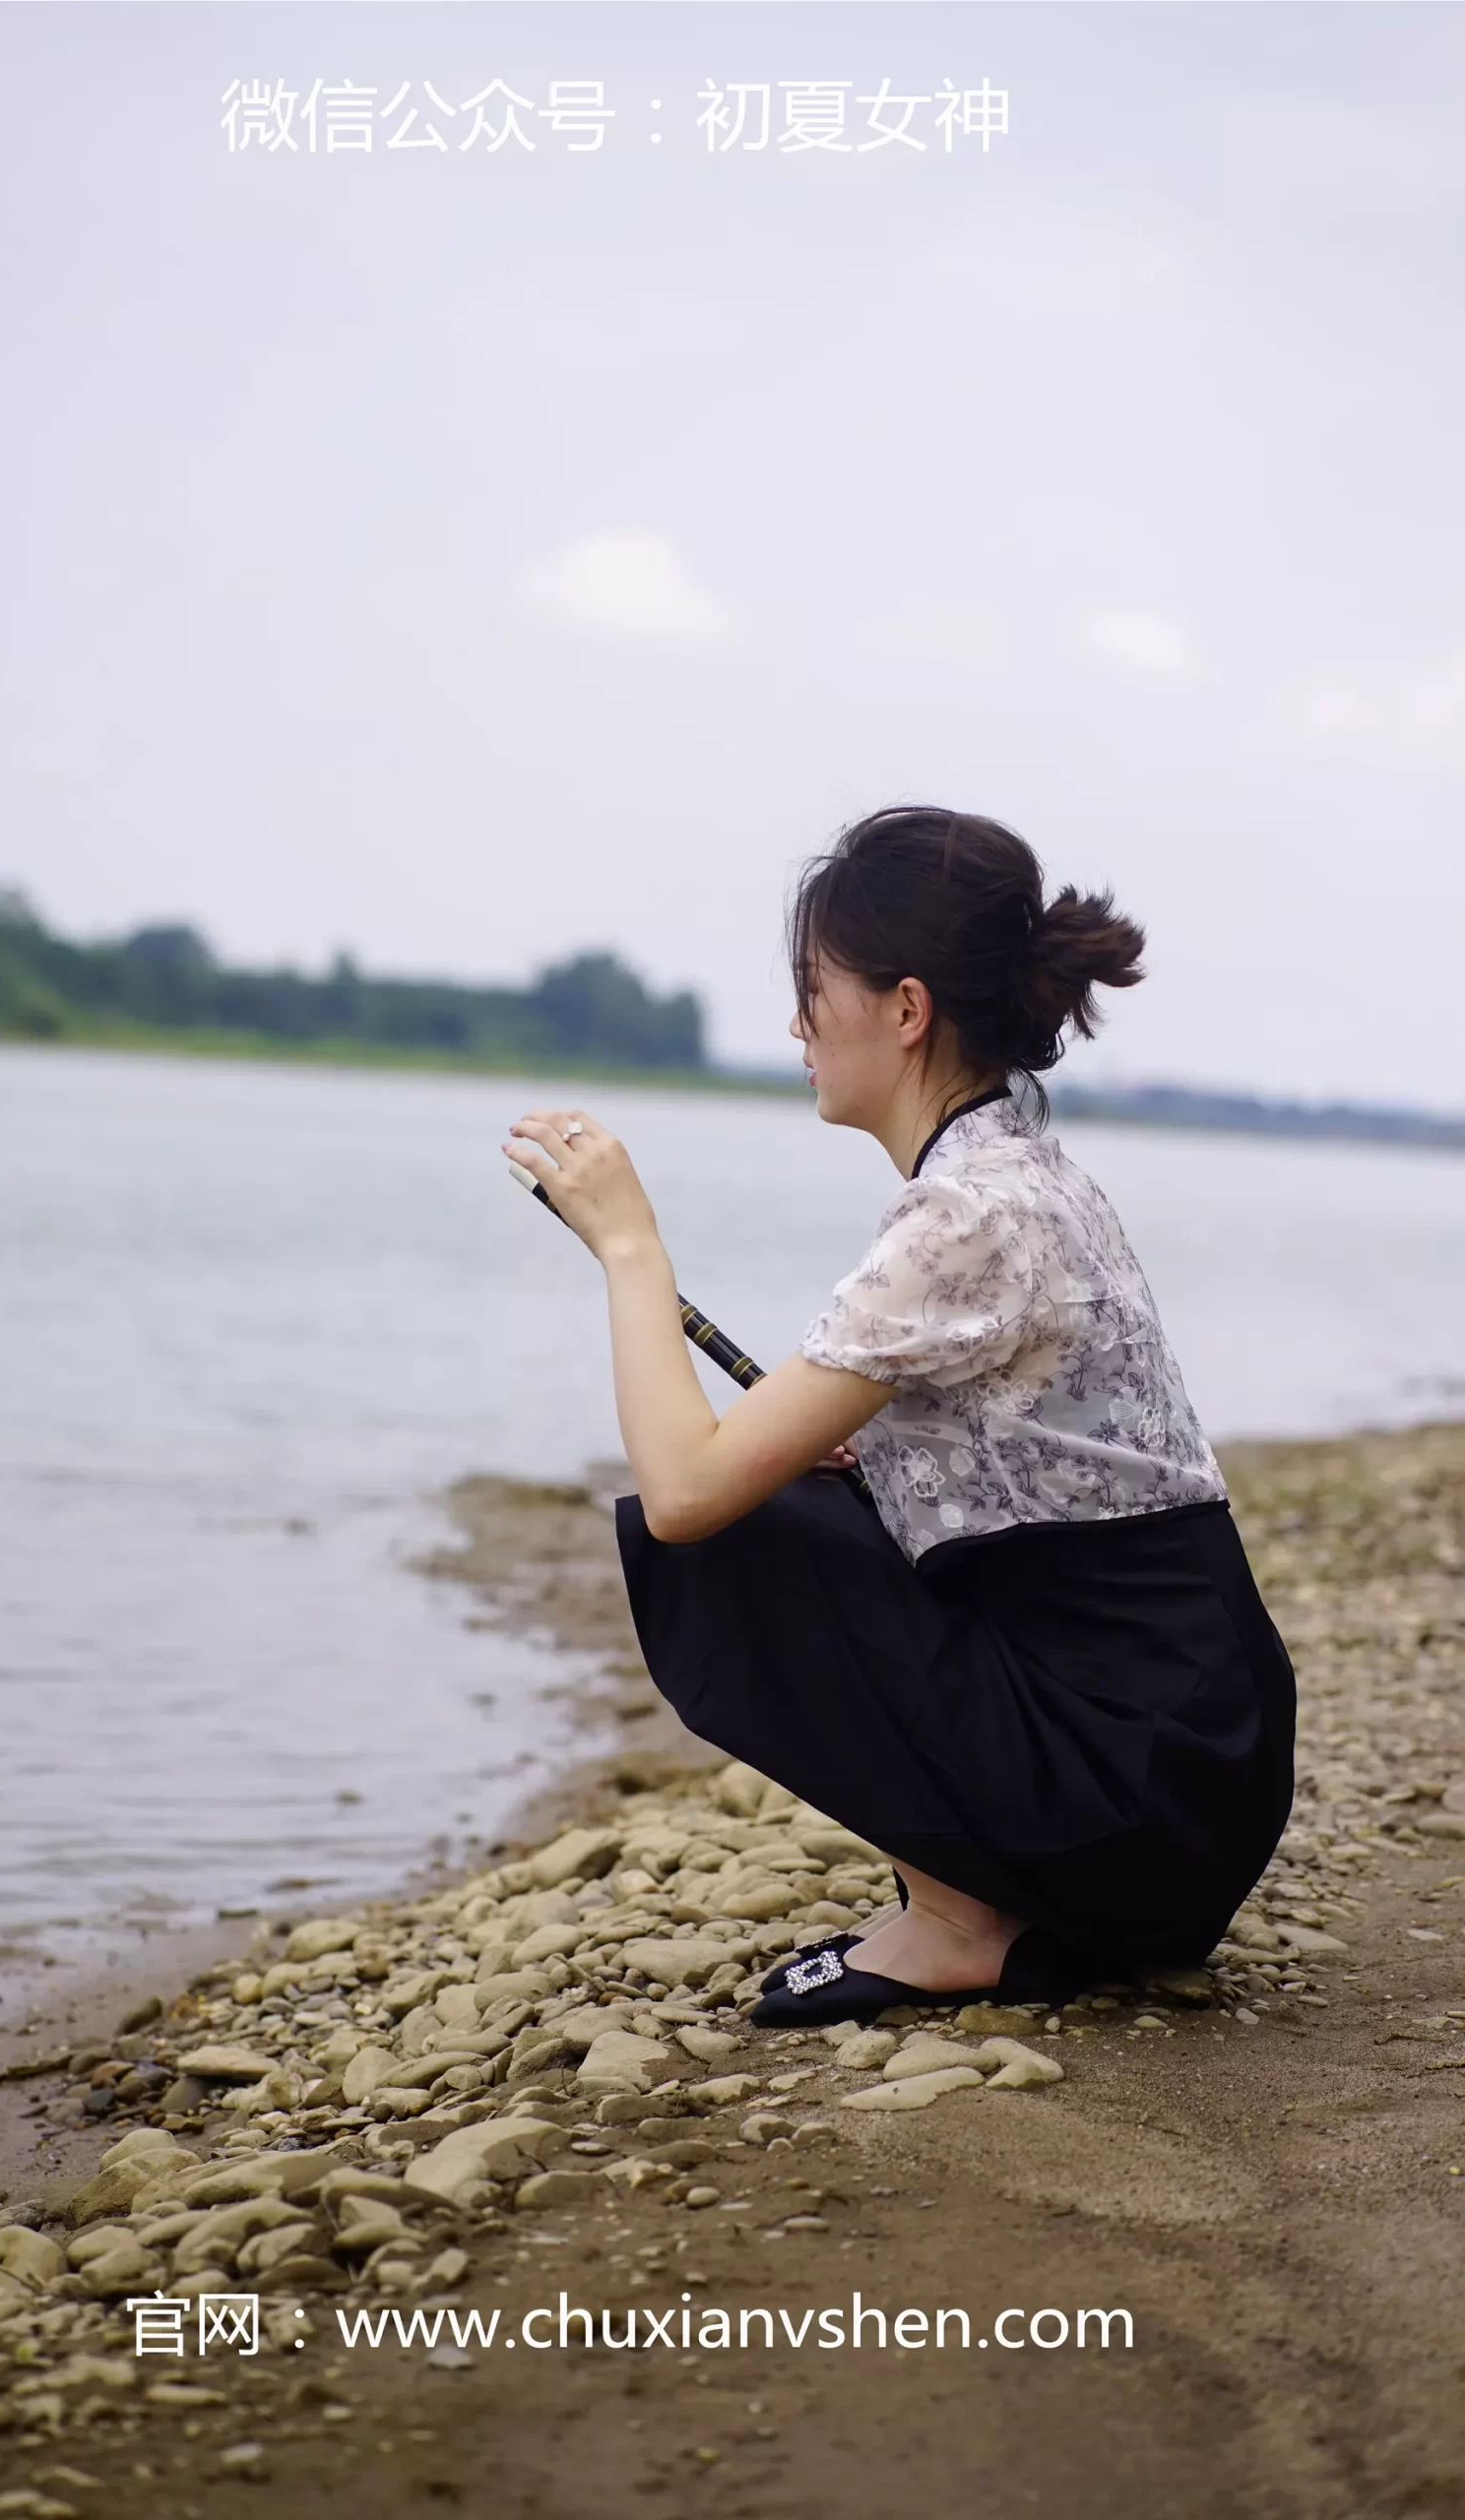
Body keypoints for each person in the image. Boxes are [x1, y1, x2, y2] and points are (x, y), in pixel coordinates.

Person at [499, 804, 1296, 2023]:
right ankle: (994, 1910)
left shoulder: (964, 1216)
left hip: (1141, 1800)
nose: (796, 1025)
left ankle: (962, 1924)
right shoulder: (1027, 1171)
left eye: (813, 989)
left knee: (731, 1535)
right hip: (1193, 1769)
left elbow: (683, 1493)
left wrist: (627, 1245)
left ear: (905, 1009)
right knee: (808, 1483)